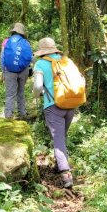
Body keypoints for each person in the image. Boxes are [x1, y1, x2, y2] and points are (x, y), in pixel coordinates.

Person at [33, 37, 74, 189]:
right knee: (61, 137)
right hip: (71, 103)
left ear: (42, 51)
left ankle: (66, 175)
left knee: (58, 140)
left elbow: (37, 87)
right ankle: (60, 163)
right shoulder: (66, 61)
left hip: (53, 105)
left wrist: (39, 94)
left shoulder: (41, 63)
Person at [0, 23, 32, 119]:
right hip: (23, 70)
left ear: (13, 31)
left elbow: (2, 57)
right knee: (21, 92)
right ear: (22, 32)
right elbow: (29, 57)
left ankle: (9, 115)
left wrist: (3, 71)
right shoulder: (26, 42)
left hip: (9, 71)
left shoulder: (6, 41)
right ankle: (22, 113)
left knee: (10, 94)